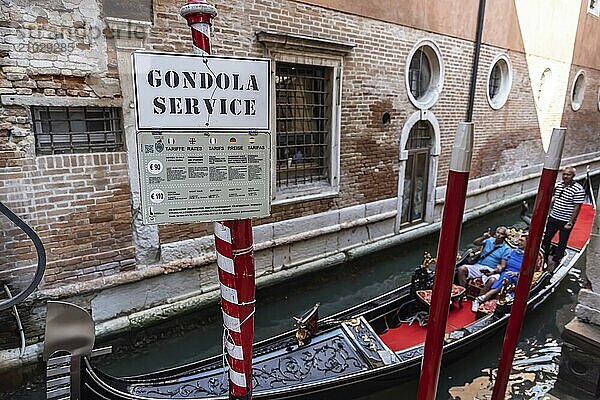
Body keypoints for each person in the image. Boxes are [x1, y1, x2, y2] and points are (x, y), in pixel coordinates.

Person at [541, 166, 585, 271]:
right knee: (546, 238)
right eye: (564, 174)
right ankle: (544, 258)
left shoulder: (578, 189)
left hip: (565, 220)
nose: (565, 176)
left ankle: (557, 260)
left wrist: (570, 222)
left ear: (573, 176)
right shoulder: (559, 185)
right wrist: (547, 209)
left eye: (568, 174)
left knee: (562, 241)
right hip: (554, 217)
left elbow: (577, 207)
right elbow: (555, 197)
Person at [471, 234, 527, 312]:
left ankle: (481, 299)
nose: (518, 242)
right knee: (498, 278)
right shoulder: (513, 252)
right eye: (519, 240)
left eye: (521, 241)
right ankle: (481, 298)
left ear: (527, 243)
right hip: (504, 273)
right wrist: (498, 267)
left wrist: (516, 274)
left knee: (506, 276)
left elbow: (529, 272)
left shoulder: (529, 256)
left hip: (518, 277)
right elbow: (503, 263)